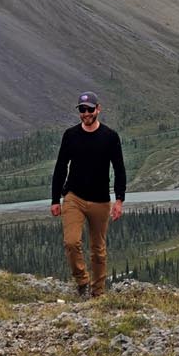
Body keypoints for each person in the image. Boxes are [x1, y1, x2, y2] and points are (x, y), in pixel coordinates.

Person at [50, 91, 127, 298]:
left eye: (90, 109)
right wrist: (55, 199)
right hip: (74, 197)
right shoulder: (70, 135)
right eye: (82, 110)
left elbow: (119, 170)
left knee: (98, 249)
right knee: (71, 242)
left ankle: (98, 292)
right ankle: (82, 280)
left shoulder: (110, 137)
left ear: (98, 109)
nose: (86, 113)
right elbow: (60, 168)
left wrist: (119, 200)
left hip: (100, 200)